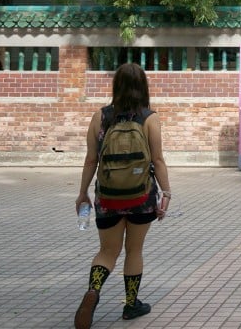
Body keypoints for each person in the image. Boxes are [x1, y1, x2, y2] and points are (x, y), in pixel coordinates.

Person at [74, 63, 171, 329]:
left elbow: (91, 159)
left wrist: (83, 193)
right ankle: (131, 304)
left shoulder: (100, 117)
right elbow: (158, 160)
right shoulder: (149, 118)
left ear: (116, 85)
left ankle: (93, 292)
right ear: (143, 86)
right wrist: (167, 192)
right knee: (134, 250)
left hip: (107, 197)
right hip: (141, 197)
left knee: (107, 251)